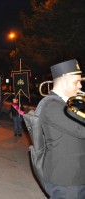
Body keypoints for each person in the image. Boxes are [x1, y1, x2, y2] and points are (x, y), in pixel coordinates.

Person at [41, 59, 85, 199]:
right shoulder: (52, 105)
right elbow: (81, 130)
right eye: (76, 82)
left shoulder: (65, 104)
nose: (80, 86)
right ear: (65, 80)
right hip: (66, 180)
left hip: (74, 176)